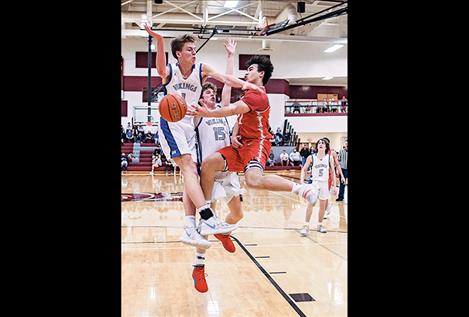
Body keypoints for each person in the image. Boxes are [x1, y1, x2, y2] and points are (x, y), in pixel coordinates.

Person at [144, 25, 253, 248]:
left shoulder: (201, 69)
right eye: (190, 49)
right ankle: (207, 218)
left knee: (191, 173)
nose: (194, 52)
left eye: (195, 49)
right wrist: (158, 38)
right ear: (179, 53)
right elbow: (160, 68)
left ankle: (190, 227)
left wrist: (247, 85)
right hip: (172, 123)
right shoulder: (171, 72)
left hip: (189, 126)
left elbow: (225, 79)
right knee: (187, 167)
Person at [189, 55, 319, 224]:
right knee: (208, 164)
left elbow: (234, 109)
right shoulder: (249, 94)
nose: (246, 72)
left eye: (250, 69)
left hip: (256, 143)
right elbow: (240, 116)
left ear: (261, 74)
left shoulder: (258, 95)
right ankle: (207, 214)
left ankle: (301, 189)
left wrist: (208, 113)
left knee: (253, 180)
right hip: (240, 144)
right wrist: (234, 133)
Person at [299, 139, 337, 235]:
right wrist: (302, 182)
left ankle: (320, 225)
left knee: (322, 206)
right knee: (310, 204)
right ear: (317, 146)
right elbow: (303, 170)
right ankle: (306, 225)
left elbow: (332, 172)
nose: (320, 144)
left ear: (326, 147)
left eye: (322, 143)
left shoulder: (329, 158)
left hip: (324, 184)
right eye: (319, 143)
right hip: (314, 183)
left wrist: (335, 186)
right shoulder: (311, 157)